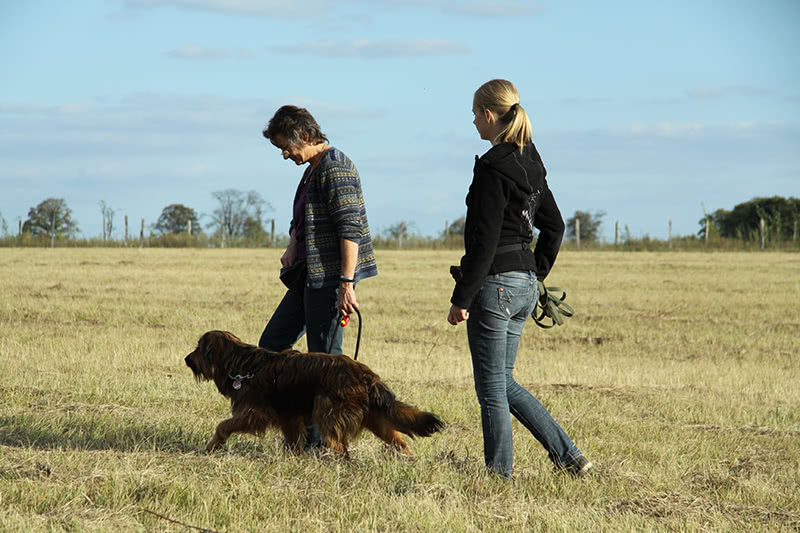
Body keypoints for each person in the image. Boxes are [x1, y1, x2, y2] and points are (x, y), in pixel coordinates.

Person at [447, 79, 592, 479]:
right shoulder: (532, 163)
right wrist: (533, 272)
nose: (474, 120)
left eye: (476, 113)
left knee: (491, 389)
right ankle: (569, 457)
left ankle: (499, 478)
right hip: (523, 287)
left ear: (490, 116)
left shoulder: (493, 167)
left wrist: (463, 297)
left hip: (496, 288)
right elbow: (555, 226)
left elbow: (485, 241)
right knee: (504, 383)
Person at [259, 105, 377, 433]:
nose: (285, 155)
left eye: (287, 147)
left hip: (330, 279)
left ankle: (323, 443)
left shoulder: (336, 168)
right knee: (272, 344)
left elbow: (349, 228)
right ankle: (296, 427)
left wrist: (346, 283)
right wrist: (293, 245)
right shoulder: (313, 168)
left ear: (307, 136)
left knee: (324, 363)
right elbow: (304, 218)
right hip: (309, 276)